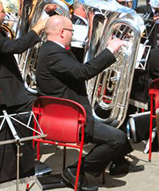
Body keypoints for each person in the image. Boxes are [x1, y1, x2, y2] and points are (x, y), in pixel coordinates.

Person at [36, 16, 139, 190]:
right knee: (117, 138)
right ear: (62, 32)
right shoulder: (53, 53)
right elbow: (83, 72)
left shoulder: (52, 49)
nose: (73, 35)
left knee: (113, 131)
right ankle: (75, 171)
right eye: (71, 31)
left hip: (71, 115)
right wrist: (109, 50)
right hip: (68, 121)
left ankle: (119, 162)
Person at [0, 0, 47, 187]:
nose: (5, 14)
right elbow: (16, 47)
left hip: (7, 87)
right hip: (6, 93)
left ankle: (20, 167)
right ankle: (24, 168)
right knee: (35, 109)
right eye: (2, 11)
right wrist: (38, 28)